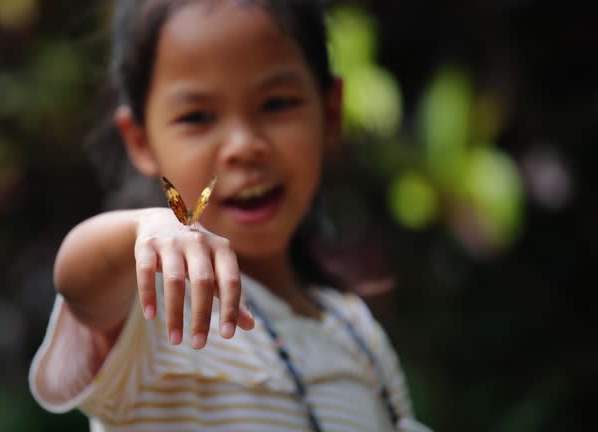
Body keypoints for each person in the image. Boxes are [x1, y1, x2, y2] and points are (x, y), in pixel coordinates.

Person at [29, 0, 431, 430]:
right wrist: (143, 231)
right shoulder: (152, 306)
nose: (243, 145)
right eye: (197, 117)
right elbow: (78, 282)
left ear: (330, 113)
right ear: (141, 142)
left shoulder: (355, 332)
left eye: (277, 104)